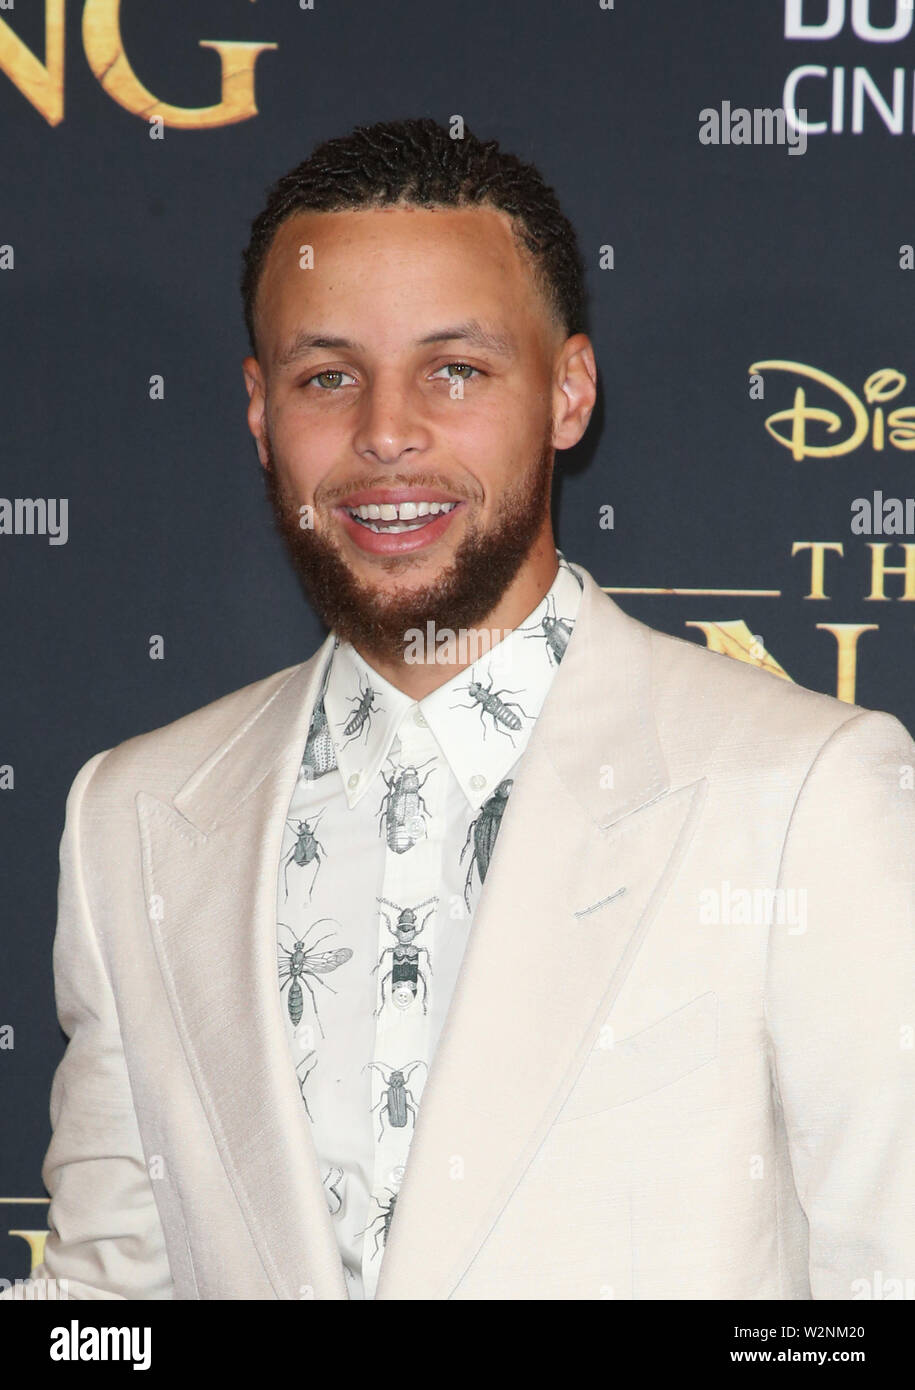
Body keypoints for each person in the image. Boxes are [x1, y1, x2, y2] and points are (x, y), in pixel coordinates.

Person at [6, 118, 915, 1301]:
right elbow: (109, 1307)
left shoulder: (805, 792)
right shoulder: (129, 816)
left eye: (455, 370)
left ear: (569, 391)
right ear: (256, 407)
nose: (386, 432)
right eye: (327, 375)